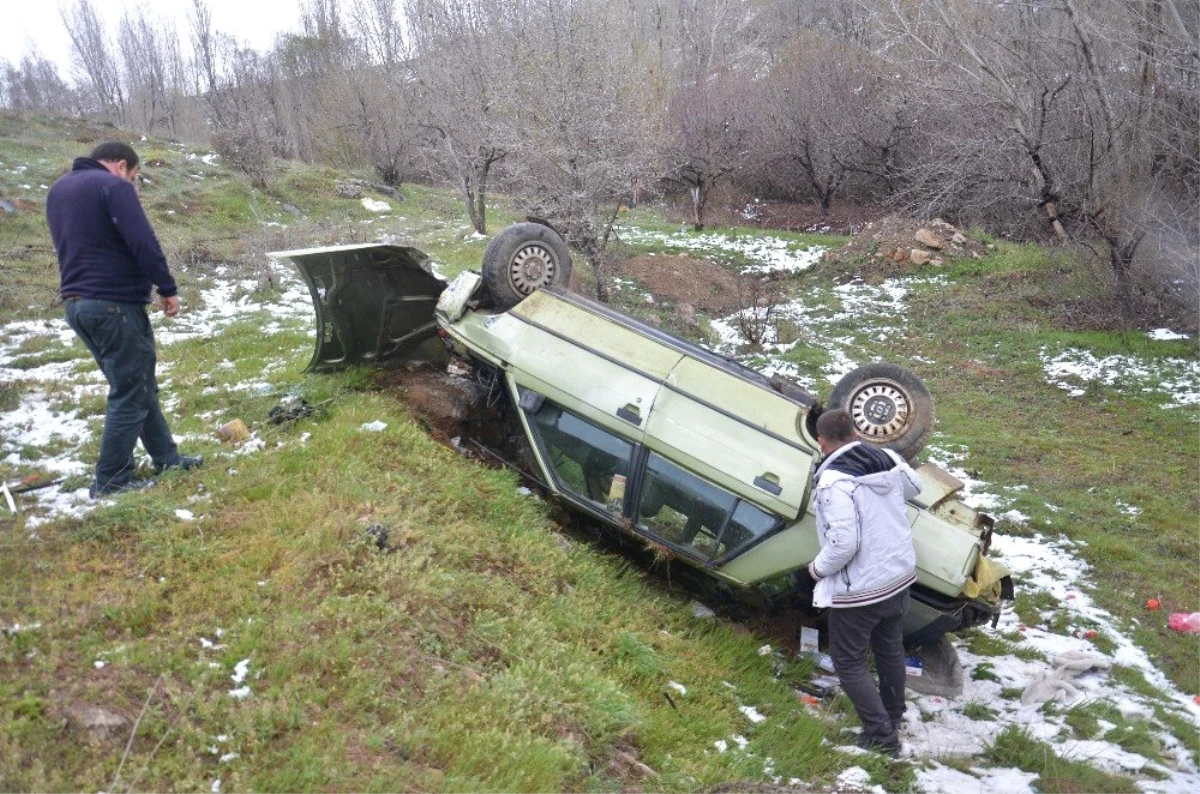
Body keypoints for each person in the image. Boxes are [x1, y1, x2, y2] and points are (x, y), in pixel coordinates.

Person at [46, 141, 201, 497]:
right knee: (131, 390)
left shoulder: (59, 189)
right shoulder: (112, 186)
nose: (133, 183)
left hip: (77, 304)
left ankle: (168, 459)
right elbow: (142, 240)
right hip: (113, 305)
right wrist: (166, 286)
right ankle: (112, 479)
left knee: (137, 383)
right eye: (134, 176)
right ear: (120, 166)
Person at [805, 408, 921, 756]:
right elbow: (915, 487)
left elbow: (844, 543)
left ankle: (881, 738)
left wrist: (815, 570)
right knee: (889, 650)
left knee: (849, 661)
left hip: (863, 587)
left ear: (822, 442)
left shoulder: (833, 482)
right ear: (855, 432)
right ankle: (893, 716)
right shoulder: (885, 457)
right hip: (898, 574)